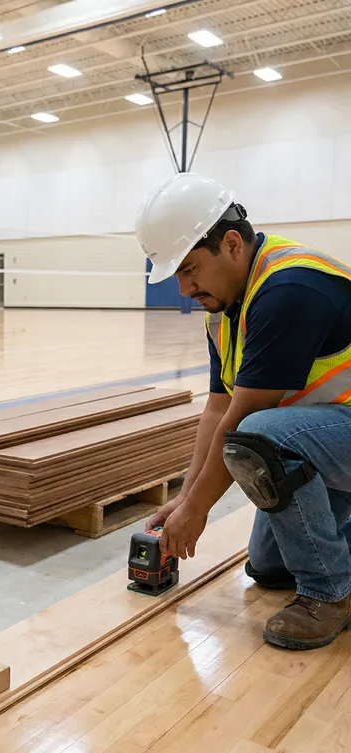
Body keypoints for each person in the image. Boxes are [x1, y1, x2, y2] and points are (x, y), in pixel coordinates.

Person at [136, 173, 351, 652]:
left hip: (338, 437)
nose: (184, 288)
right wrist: (184, 497)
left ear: (232, 244)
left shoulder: (289, 288)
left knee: (259, 437)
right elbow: (217, 409)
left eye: (190, 269)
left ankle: (328, 594)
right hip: (333, 439)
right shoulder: (225, 310)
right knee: (268, 569)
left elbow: (245, 422)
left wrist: (198, 510)